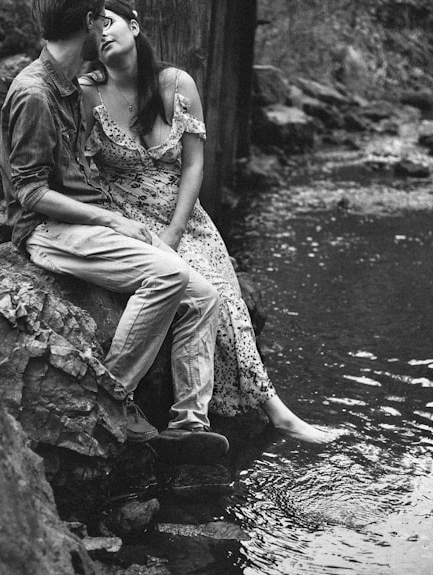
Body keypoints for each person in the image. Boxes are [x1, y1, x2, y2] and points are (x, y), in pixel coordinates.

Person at [80, 0, 337, 444]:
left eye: (109, 22)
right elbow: (80, 167)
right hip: (127, 216)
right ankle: (228, 416)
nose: (101, 33)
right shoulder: (88, 92)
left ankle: (274, 410)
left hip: (185, 216)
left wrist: (176, 231)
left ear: (134, 26)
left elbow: (194, 165)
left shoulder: (176, 83)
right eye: (93, 29)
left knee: (221, 292)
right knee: (194, 289)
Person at [0, 0, 229, 462]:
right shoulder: (34, 93)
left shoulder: (67, 85)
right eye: (101, 22)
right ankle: (108, 402)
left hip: (87, 217)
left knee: (204, 296)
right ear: (87, 24)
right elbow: (29, 192)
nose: (105, 33)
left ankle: (187, 423)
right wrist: (111, 219)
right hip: (49, 229)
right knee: (167, 275)